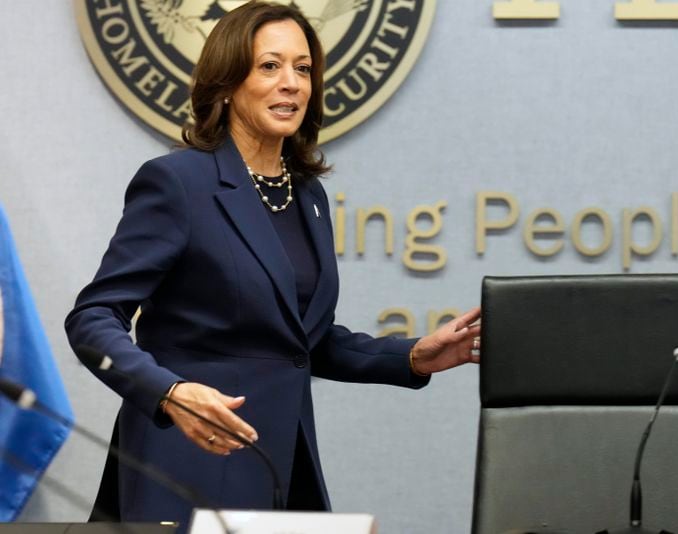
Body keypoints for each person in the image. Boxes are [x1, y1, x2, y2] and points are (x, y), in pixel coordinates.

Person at [65, 1, 480, 530]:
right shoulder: (178, 184)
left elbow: (299, 342)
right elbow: (92, 319)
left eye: (303, 69)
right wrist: (167, 391)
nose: (291, 83)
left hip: (284, 465)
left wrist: (412, 357)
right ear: (227, 82)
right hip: (192, 460)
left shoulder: (306, 194)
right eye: (270, 66)